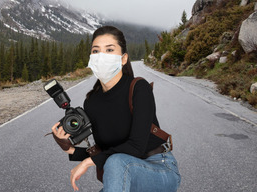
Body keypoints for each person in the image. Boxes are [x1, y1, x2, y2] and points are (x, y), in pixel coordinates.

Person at [50, 26, 181, 192]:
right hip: (123, 170)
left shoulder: (139, 88)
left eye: (109, 49)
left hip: (159, 168)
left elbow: (135, 147)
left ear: (123, 58)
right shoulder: (91, 103)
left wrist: (88, 162)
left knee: (116, 161)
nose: (101, 56)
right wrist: (69, 148)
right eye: (96, 51)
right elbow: (105, 152)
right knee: (115, 160)